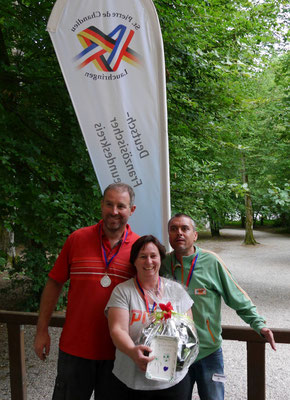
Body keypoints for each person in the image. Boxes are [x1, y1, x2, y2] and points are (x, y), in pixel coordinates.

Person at [34, 183, 139, 400]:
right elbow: (54, 283)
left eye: (121, 206)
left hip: (118, 353)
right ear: (101, 205)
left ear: (132, 210)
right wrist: (42, 330)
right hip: (75, 350)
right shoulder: (77, 239)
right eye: (109, 204)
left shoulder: (139, 249)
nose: (114, 211)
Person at [161, 213, 276, 400]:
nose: (179, 233)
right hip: (176, 354)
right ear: (168, 235)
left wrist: (258, 323)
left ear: (195, 235)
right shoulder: (163, 264)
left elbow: (236, 296)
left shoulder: (211, 262)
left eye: (184, 228)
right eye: (173, 229)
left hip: (209, 352)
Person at [106, 235, 194, 400]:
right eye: (143, 256)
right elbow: (117, 329)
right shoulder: (123, 291)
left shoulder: (176, 291)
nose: (149, 262)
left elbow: (189, 330)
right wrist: (133, 352)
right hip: (132, 380)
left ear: (161, 259)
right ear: (134, 261)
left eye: (153, 256)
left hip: (173, 382)